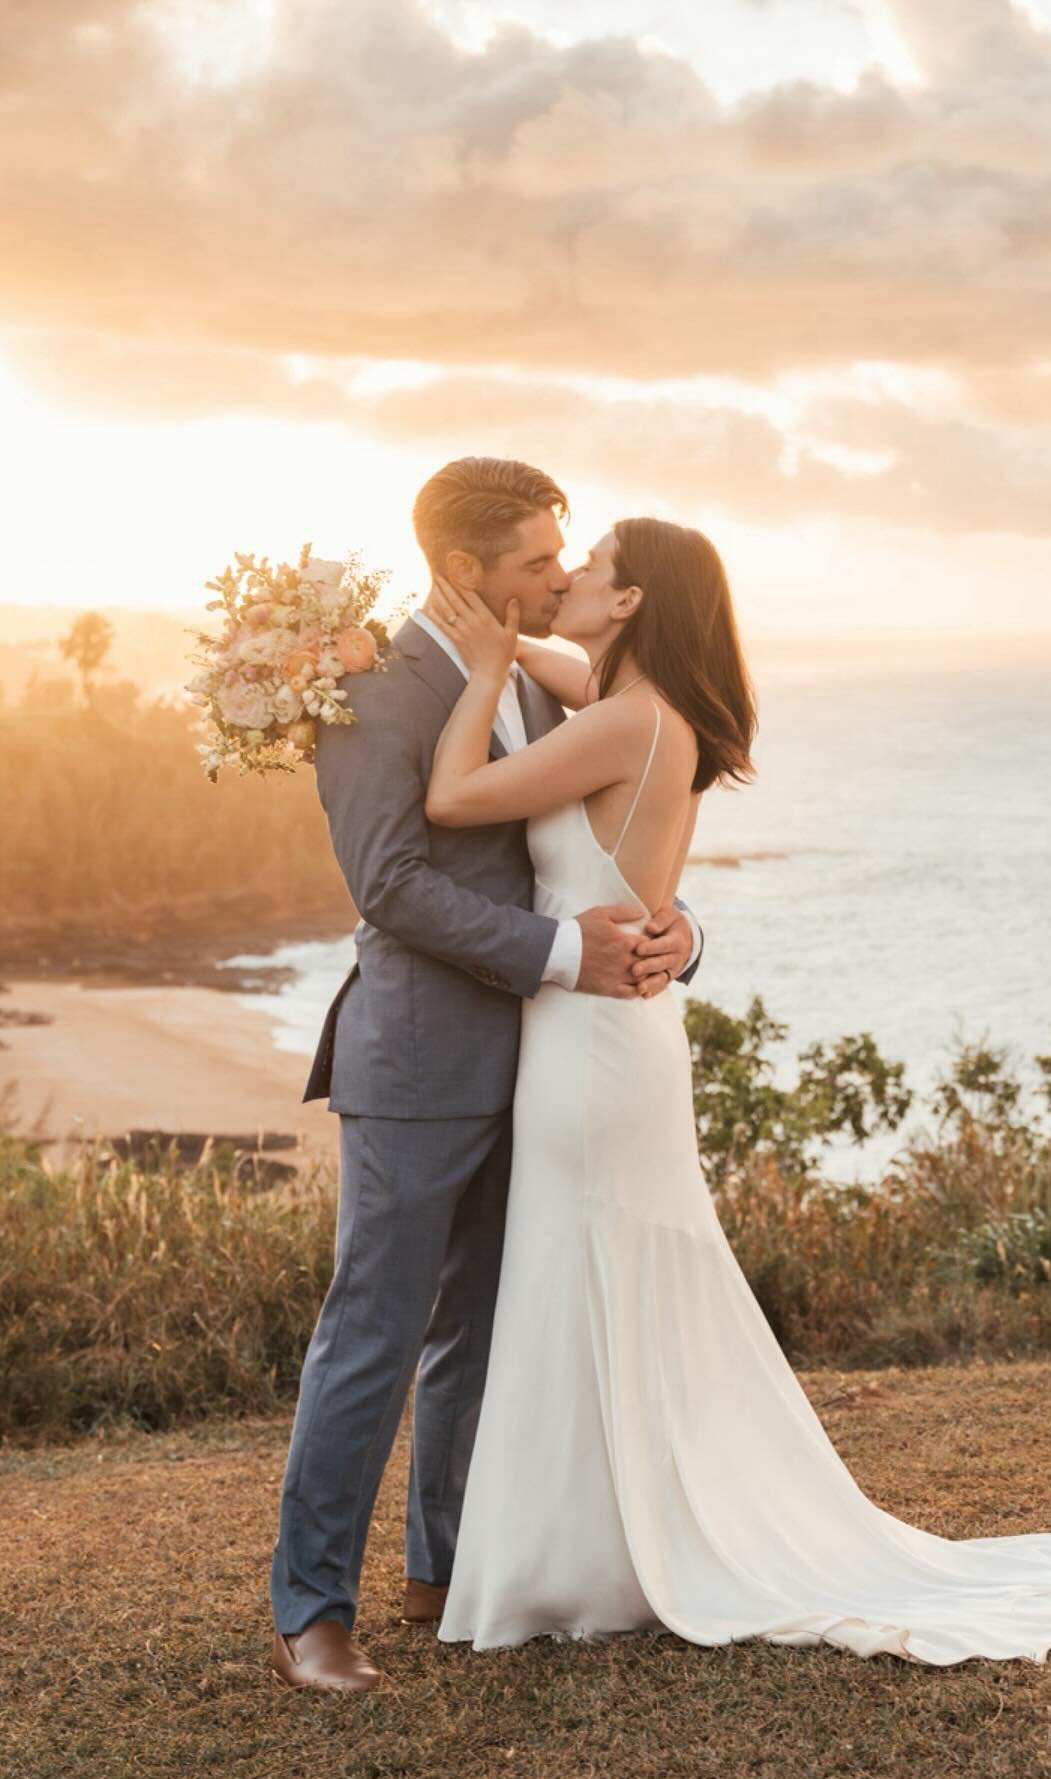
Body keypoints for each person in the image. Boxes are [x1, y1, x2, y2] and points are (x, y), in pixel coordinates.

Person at [419, 516, 1051, 1665]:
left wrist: (479, 668)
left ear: (629, 603)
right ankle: (598, 1547)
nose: (566, 579)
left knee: (582, 1271)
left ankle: (580, 1559)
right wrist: (516, 645)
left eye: (591, 568)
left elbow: (453, 800)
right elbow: (566, 666)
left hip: (588, 1042)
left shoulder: (624, 719)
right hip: (619, 1036)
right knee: (596, 1277)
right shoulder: (645, 701)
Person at [268, 460, 706, 1693]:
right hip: (416, 1062)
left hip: (542, 1065)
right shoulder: (368, 689)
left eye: (565, 558)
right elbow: (391, 886)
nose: (561, 577)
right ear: (464, 573)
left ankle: (444, 1567)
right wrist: (570, 955)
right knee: (374, 1331)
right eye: (533, 564)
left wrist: (678, 933)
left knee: (476, 1331)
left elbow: (606, 832)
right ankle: (313, 1613)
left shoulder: (537, 680)